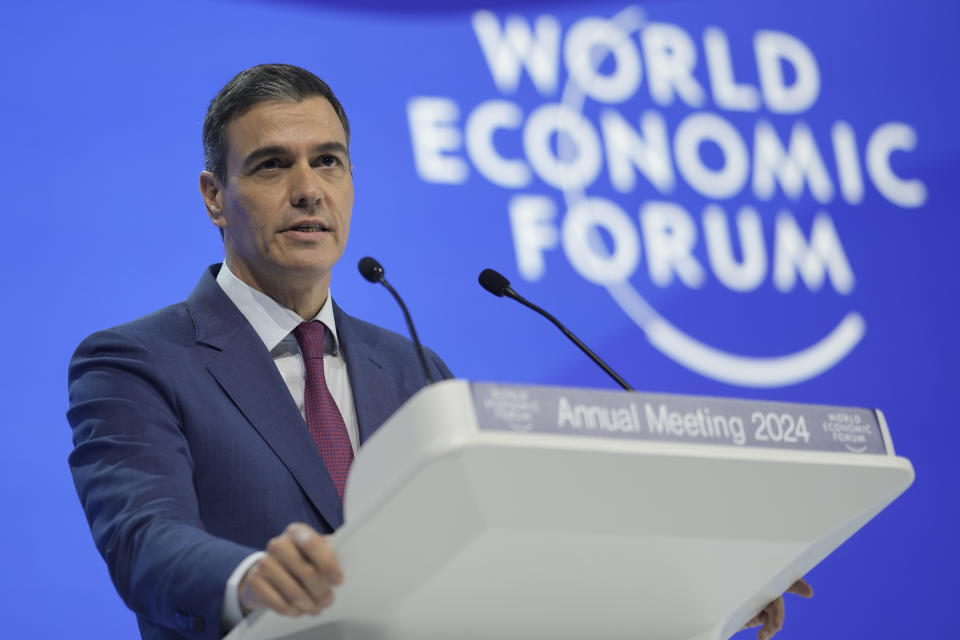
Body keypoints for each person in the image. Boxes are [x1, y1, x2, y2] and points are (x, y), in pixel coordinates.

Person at [67, 63, 809, 640]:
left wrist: (703, 576)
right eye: (270, 166)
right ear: (214, 195)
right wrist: (253, 576)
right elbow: (144, 538)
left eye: (329, 161)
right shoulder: (137, 361)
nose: (308, 190)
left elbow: (508, 550)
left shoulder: (416, 369)